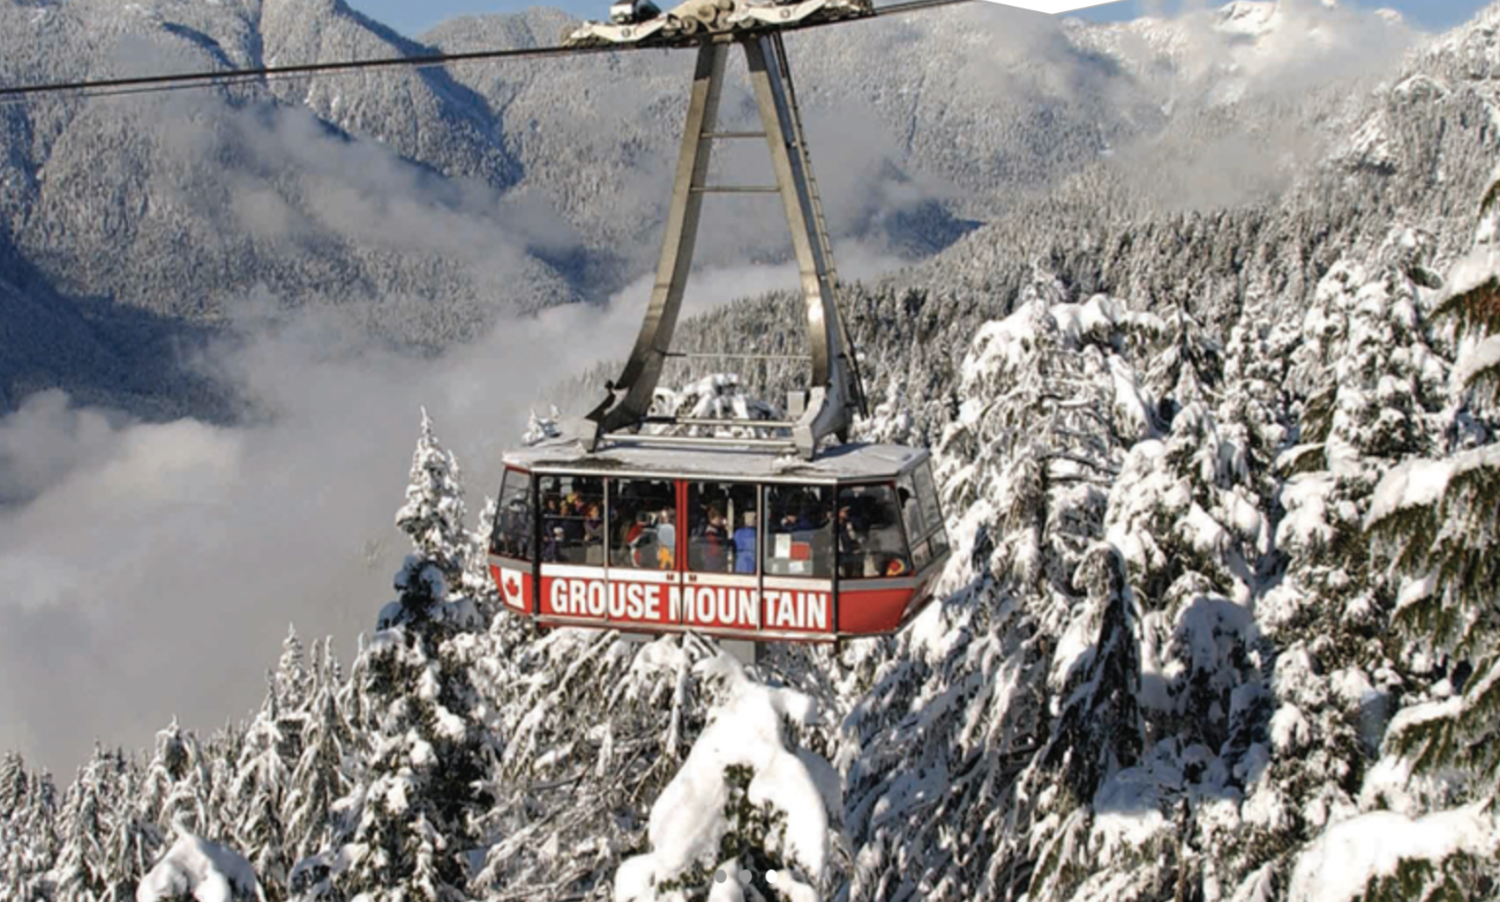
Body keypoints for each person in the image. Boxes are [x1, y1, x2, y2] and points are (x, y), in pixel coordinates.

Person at [700, 506, 729, 572]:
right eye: (719, 518)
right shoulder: (710, 533)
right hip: (713, 562)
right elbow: (715, 550)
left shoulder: (717, 531)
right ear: (713, 519)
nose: (721, 520)